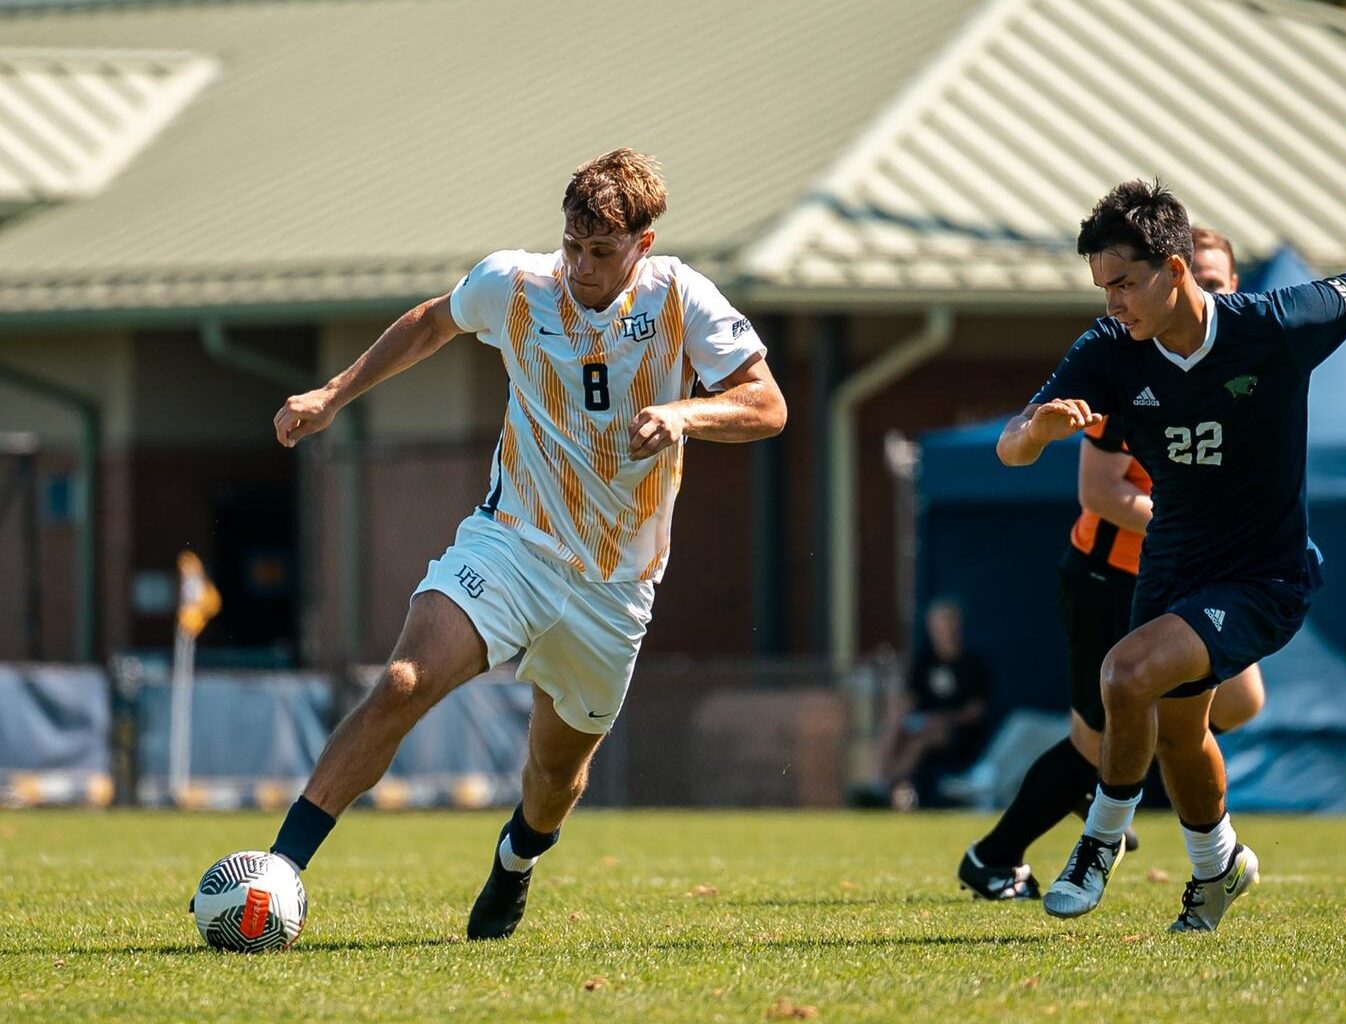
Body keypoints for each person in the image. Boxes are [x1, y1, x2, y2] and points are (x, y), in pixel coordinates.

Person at [259, 148, 787, 940]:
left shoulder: (684, 298)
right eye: (572, 245)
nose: (579, 266)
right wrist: (334, 394)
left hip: (615, 583)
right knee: (403, 680)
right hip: (514, 543)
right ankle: (278, 873)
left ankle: (515, 862)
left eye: (601, 253)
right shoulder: (518, 284)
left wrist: (685, 416)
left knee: (553, 777)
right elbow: (433, 321)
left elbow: (768, 404)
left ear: (642, 245)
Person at [996, 180, 1346, 931]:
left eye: (1126, 284)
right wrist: (1037, 432)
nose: (1114, 304)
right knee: (1179, 734)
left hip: (1264, 575)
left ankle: (1098, 841)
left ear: (1176, 271)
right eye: (1104, 288)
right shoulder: (1109, 349)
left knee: (1125, 673)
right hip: (1173, 564)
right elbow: (1013, 446)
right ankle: (1217, 869)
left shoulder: (1273, 324)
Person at [959, 228, 1264, 901]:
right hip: (1112, 575)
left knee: (1238, 701)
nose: (1209, 293)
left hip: (1192, 571)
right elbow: (1100, 491)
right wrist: (1196, 530)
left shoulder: (1241, 360)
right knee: (1103, 739)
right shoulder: (1130, 364)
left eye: (1220, 282)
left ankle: (1116, 797)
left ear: (1232, 287)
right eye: (1200, 280)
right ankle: (995, 855)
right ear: (1176, 279)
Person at [872, 600, 989, 810]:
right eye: (938, 626)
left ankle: (885, 787)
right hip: (922, 723)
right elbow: (911, 699)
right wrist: (899, 712)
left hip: (956, 732)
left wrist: (944, 719)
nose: (944, 632)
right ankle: (879, 781)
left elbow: (976, 712)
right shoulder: (924, 663)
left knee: (920, 741)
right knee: (894, 724)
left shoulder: (972, 664)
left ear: (958, 626)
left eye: (948, 624)